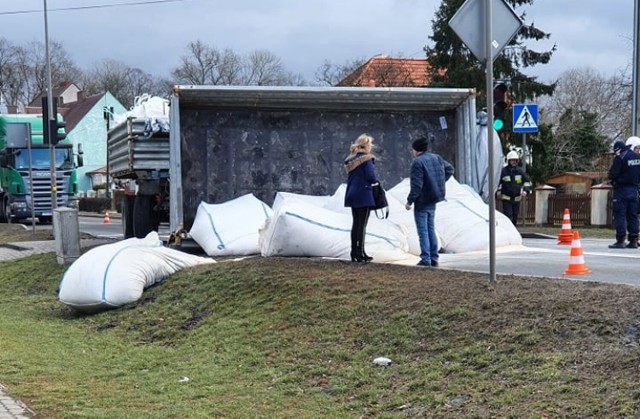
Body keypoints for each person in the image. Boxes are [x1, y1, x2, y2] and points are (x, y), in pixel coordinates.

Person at [405, 137, 454, 267]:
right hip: (434, 199)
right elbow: (450, 169)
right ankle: (434, 257)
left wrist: (410, 201)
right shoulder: (436, 158)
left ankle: (425, 259)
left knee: (423, 231)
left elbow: (416, 185)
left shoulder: (417, 162)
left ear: (416, 150)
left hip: (422, 200)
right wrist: (438, 183)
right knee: (431, 229)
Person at [344, 134, 378, 262]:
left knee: (356, 223)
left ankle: (355, 252)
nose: (371, 147)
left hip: (352, 193)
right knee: (362, 225)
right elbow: (371, 177)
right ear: (366, 146)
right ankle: (361, 253)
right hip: (364, 194)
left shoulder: (350, 159)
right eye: (370, 145)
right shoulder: (367, 159)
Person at [608, 140, 640, 248]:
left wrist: (615, 180)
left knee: (620, 215)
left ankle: (621, 240)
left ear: (618, 149)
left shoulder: (620, 157)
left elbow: (612, 174)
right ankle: (633, 240)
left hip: (621, 191)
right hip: (634, 190)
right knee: (633, 215)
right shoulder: (637, 157)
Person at [497, 150, 532, 225]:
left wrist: (526, 190)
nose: (514, 162)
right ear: (508, 160)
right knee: (509, 216)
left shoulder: (520, 171)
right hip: (507, 199)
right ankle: (509, 232)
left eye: (515, 160)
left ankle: (513, 231)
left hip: (516, 199)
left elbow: (526, 181)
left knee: (515, 217)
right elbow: (497, 183)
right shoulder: (503, 171)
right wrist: (497, 191)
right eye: (512, 160)